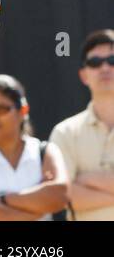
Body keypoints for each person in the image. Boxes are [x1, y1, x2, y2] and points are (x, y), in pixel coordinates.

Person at [0, 73, 69, 220]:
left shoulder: (46, 151)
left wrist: (2, 199)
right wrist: (35, 205)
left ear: (23, 111)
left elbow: (60, 195)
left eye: (1, 109)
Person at [48, 29, 114, 220]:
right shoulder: (65, 132)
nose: (104, 68)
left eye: (112, 61)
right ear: (84, 75)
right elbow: (61, 195)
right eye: (94, 62)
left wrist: (88, 180)